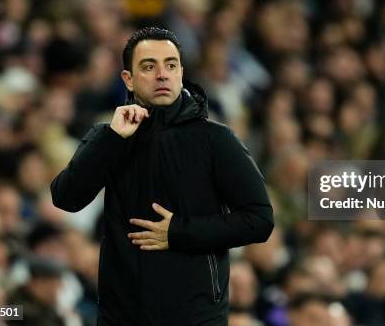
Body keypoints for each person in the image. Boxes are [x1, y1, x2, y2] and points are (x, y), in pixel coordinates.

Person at [50, 27, 274, 325]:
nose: (162, 74)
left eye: (170, 65)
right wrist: (113, 139)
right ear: (128, 78)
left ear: (181, 72)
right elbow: (66, 198)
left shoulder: (215, 139)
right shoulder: (109, 135)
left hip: (195, 316)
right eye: (148, 66)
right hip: (122, 316)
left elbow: (259, 220)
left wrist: (179, 232)